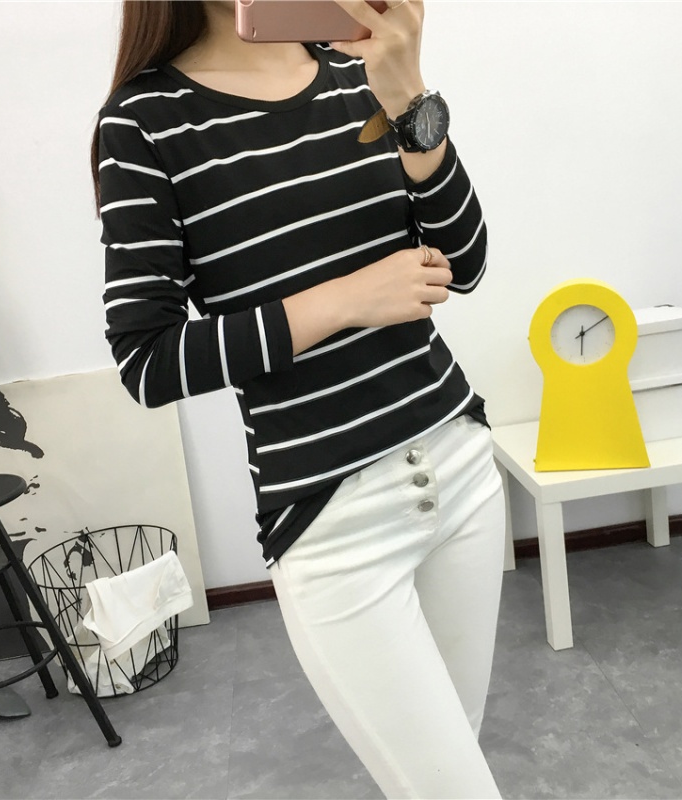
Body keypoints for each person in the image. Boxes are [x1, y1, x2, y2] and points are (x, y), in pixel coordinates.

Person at [90, 1, 505, 795]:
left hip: (460, 469)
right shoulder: (145, 122)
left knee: (452, 766)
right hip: (334, 521)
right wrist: (344, 300)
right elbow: (148, 360)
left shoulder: (357, 74)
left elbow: (467, 260)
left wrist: (408, 94)